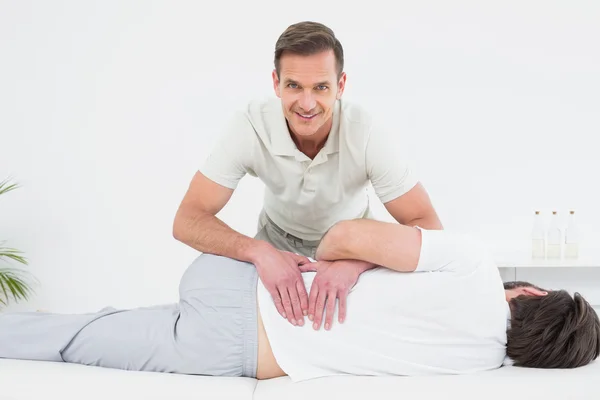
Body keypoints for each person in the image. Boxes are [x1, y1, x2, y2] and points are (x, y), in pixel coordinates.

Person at [1, 221, 598, 382]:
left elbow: (338, 238)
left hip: (242, 284)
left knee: (88, 327)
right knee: (79, 341)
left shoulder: (472, 265)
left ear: (532, 293)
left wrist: (360, 262)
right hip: (232, 353)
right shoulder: (477, 366)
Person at [172, 21, 443, 328]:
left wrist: (357, 263)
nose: (307, 103)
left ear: (340, 86)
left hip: (357, 252)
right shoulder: (249, 126)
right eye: (293, 86)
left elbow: (429, 227)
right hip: (275, 245)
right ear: (276, 83)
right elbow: (187, 219)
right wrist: (259, 252)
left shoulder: (366, 133)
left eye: (321, 88)